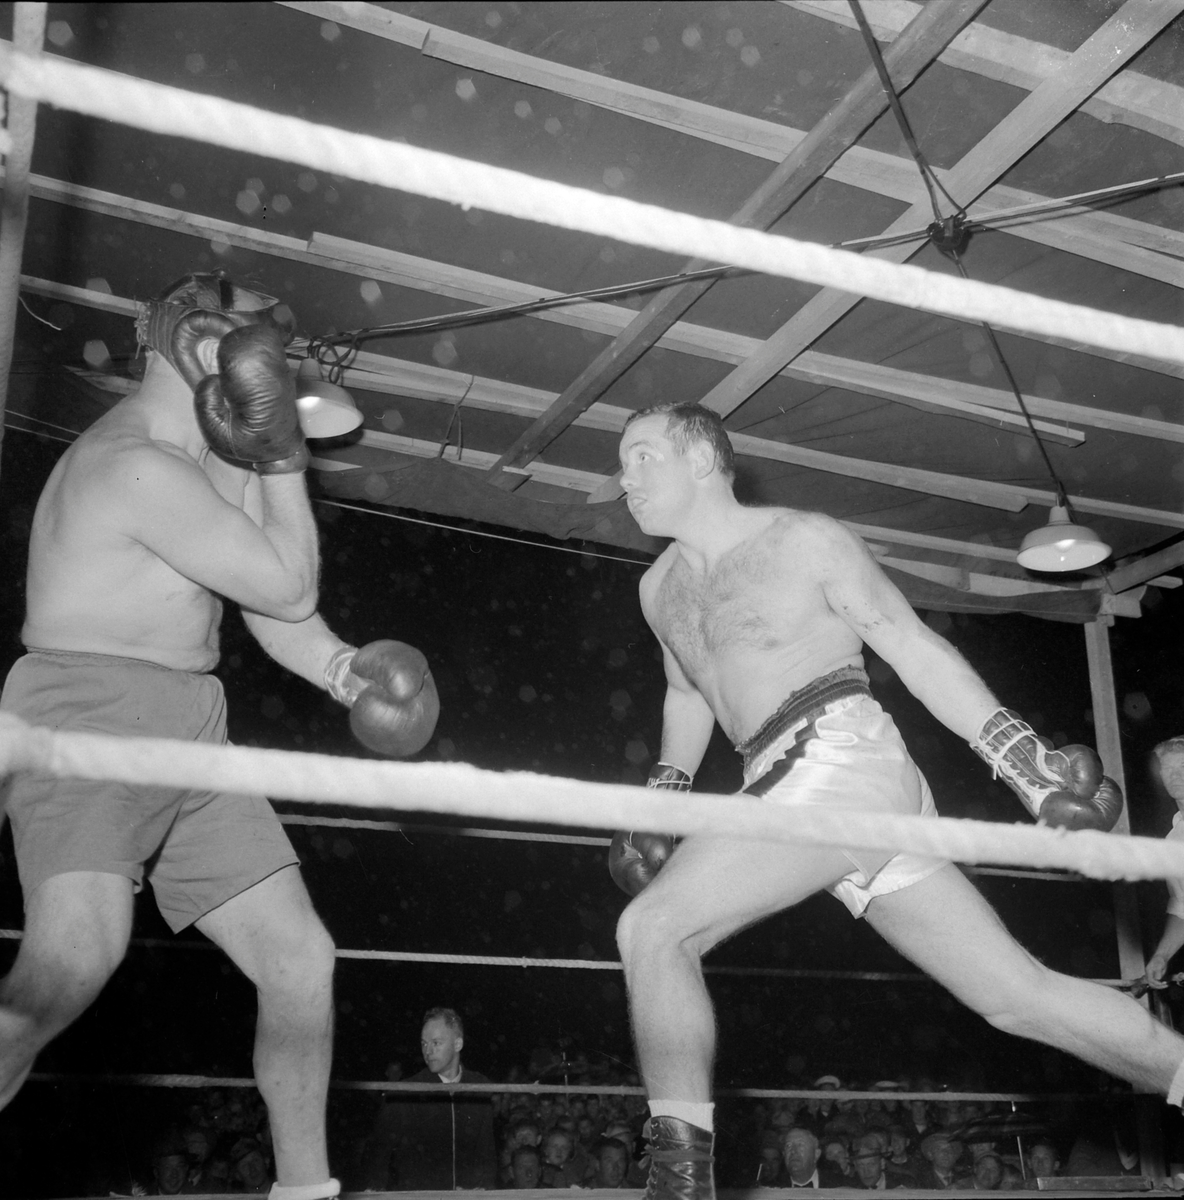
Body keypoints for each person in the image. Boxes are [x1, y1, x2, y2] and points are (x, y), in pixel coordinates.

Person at [607, 403, 1184, 1200]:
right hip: (784, 779)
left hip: (840, 755)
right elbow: (686, 694)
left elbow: (910, 645)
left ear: (702, 459)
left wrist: (1022, 759)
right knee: (1015, 997)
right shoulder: (656, 589)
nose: (623, 477)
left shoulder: (803, 540)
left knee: (654, 928)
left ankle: (677, 1186)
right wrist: (665, 796)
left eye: (641, 456)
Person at [0, 271, 440, 1200]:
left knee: (299, 959)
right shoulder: (132, 464)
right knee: (73, 959)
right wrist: (283, 459)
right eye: (256, 345)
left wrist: (337, 668)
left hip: (192, 722)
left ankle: (305, 1190)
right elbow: (286, 581)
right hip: (89, 713)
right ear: (208, 348)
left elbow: (268, 602)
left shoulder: (209, 455)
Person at [364, 1006, 497, 1189]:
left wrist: (485, 1191)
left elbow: (486, 1153)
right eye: (424, 1043)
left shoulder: (480, 1087)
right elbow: (378, 1153)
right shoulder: (405, 1093)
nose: (428, 1051)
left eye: (436, 1043)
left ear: (457, 1044)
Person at [1143, 737, 1184, 988]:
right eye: (1168, 769)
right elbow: (1183, 907)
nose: (1176, 775)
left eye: (1183, 766)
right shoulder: (1174, 838)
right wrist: (1162, 955)